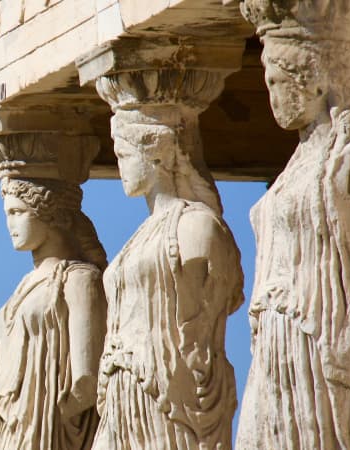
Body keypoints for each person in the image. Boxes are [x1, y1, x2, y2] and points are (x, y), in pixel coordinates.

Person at [237, 1, 350, 447]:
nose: (271, 95)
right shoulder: (297, 165)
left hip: (321, 337)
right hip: (276, 337)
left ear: (313, 79)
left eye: (276, 81)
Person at [93, 109, 243, 449]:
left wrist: (189, 358)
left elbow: (222, 301)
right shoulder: (138, 237)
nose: (120, 168)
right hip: (123, 382)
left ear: (156, 155)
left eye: (124, 156)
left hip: (170, 384)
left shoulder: (195, 225)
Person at [0, 177, 107, 450]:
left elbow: (87, 379)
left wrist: (47, 417)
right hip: (5, 425)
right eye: (7, 214)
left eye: (17, 212)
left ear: (49, 214)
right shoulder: (23, 286)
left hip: (46, 427)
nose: (9, 225)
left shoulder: (78, 279)